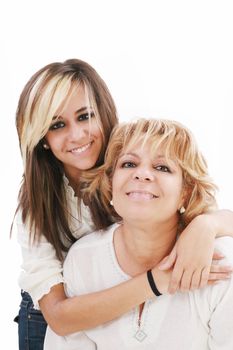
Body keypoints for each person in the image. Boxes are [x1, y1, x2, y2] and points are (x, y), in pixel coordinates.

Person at [14, 59, 233, 350]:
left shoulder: (135, 160)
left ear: (103, 114)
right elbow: (60, 317)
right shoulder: (38, 208)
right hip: (57, 310)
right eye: (57, 125)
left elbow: (206, 210)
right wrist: (154, 283)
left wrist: (206, 224)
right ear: (43, 138)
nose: (77, 135)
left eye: (84, 116)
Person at [44, 118, 233, 349]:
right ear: (111, 184)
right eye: (129, 164)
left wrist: (208, 224)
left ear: (185, 193)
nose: (142, 175)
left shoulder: (222, 264)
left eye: (162, 167)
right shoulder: (83, 260)